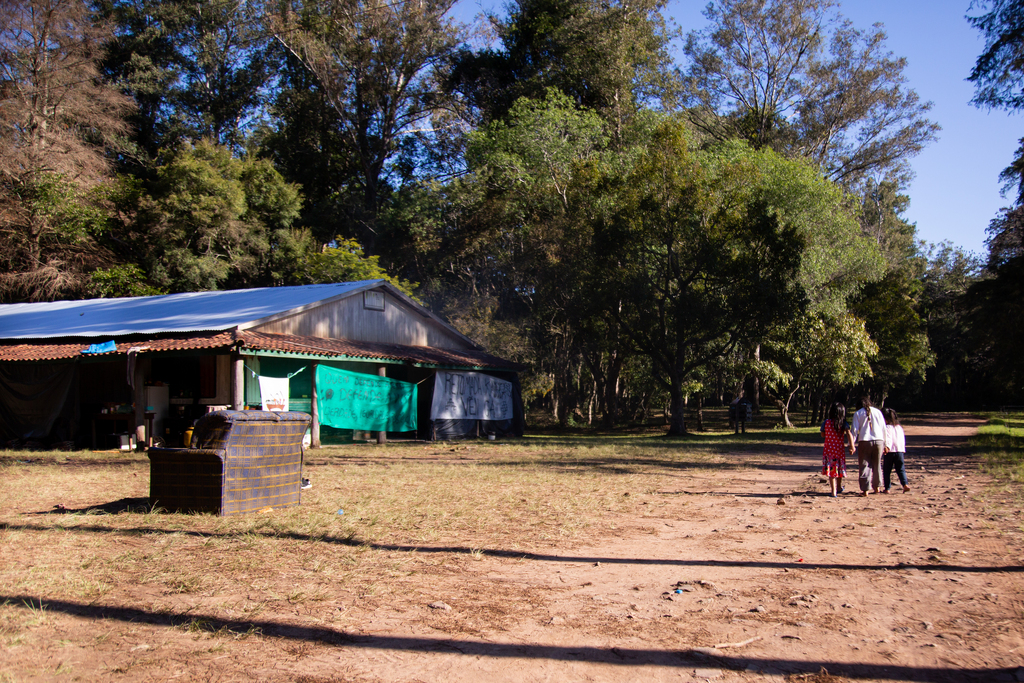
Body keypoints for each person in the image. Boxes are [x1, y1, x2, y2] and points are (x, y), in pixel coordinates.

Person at [850, 395, 886, 497]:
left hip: (864, 441)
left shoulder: (858, 413)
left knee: (864, 465)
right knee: (877, 464)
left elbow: (854, 431)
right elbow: (884, 428)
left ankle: (865, 490)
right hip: (879, 440)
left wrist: (851, 444)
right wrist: (886, 444)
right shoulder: (878, 412)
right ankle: (877, 487)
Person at [820, 402, 854, 497]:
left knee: (831, 469)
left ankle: (833, 490)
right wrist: (852, 446)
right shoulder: (843, 423)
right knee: (839, 468)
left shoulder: (826, 422)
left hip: (829, 450)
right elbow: (849, 434)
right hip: (839, 451)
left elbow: (823, 434)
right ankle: (838, 487)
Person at [883, 408, 910, 493]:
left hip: (890, 451)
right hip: (900, 451)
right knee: (901, 469)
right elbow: (902, 439)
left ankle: (887, 488)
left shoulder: (887, 427)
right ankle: (905, 484)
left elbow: (888, 438)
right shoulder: (899, 427)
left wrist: (886, 447)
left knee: (887, 470)